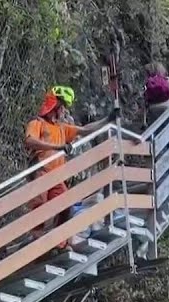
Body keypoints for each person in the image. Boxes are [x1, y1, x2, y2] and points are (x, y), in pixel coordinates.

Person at [24, 86, 116, 249]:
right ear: (54, 106)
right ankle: (36, 244)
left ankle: (59, 243)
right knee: (39, 207)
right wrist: (57, 147)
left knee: (66, 203)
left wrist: (108, 119)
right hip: (41, 171)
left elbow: (85, 130)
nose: (64, 111)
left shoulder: (61, 128)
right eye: (61, 107)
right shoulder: (37, 123)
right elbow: (29, 141)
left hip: (57, 176)